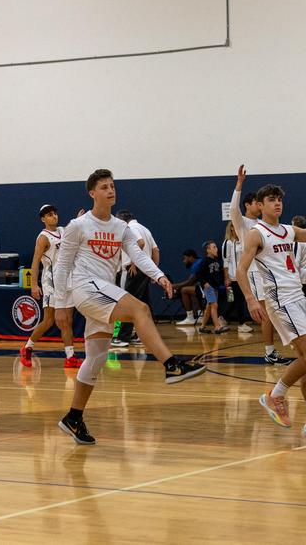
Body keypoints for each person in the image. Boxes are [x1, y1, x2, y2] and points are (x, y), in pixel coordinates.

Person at [53, 169, 205, 445]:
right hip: (86, 288)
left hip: (104, 290)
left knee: (96, 359)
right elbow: (62, 265)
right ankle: (172, 365)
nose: (110, 190)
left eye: (112, 186)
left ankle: (73, 417)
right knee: (140, 309)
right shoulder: (78, 225)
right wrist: (60, 303)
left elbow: (138, 255)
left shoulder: (121, 227)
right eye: (104, 187)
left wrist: (159, 276)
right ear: (92, 193)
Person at [236, 182, 306, 435]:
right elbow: (240, 270)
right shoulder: (256, 233)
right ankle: (275, 395)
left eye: (279, 199)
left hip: (297, 296)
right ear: (260, 205)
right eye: (271, 199)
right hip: (280, 299)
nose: (277, 203)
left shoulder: (288, 230)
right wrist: (251, 299)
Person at [230, 165, 292, 365]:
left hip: (271, 273)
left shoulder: (264, 225)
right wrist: (239, 184)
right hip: (255, 273)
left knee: (277, 310)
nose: (260, 205)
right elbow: (233, 209)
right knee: (267, 312)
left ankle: (293, 341)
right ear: (249, 205)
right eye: (257, 202)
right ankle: (269, 351)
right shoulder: (242, 224)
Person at [20, 204, 81, 369]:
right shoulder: (43, 238)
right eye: (49, 215)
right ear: (43, 219)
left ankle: (70, 357)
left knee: (67, 320)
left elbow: (72, 230)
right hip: (51, 283)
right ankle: (27, 348)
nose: (54, 216)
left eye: (55, 213)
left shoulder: (62, 230)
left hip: (67, 280)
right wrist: (34, 284)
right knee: (48, 320)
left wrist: (78, 219)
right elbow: (35, 262)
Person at [112, 209, 159, 347]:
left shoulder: (130, 228)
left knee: (128, 303)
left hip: (135, 270)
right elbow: (156, 250)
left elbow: (140, 242)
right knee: (145, 303)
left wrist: (134, 262)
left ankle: (123, 337)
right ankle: (147, 335)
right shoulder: (145, 228)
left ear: (122, 220)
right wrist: (154, 271)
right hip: (144, 270)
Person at [221, 222, 253, 333]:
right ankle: (241, 324)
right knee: (235, 300)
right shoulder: (227, 243)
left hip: (242, 276)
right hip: (232, 277)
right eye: (235, 226)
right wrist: (226, 278)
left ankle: (223, 318)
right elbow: (226, 261)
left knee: (236, 300)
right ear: (231, 228)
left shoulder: (242, 242)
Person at [196, 240, 228, 333]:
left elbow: (218, 274)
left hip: (215, 286)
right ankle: (217, 327)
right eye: (214, 247)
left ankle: (202, 327)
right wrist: (204, 283)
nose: (216, 249)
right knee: (214, 305)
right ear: (208, 250)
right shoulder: (205, 261)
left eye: (216, 247)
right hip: (208, 287)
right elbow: (198, 274)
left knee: (209, 307)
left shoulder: (217, 261)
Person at [173, 250, 204, 326]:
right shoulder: (200, 261)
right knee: (193, 289)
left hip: (209, 288)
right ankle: (201, 316)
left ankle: (190, 318)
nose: (184, 261)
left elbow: (189, 282)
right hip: (209, 287)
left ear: (191, 257)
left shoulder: (196, 265)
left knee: (184, 290)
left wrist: (175, 286)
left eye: (185, 258)